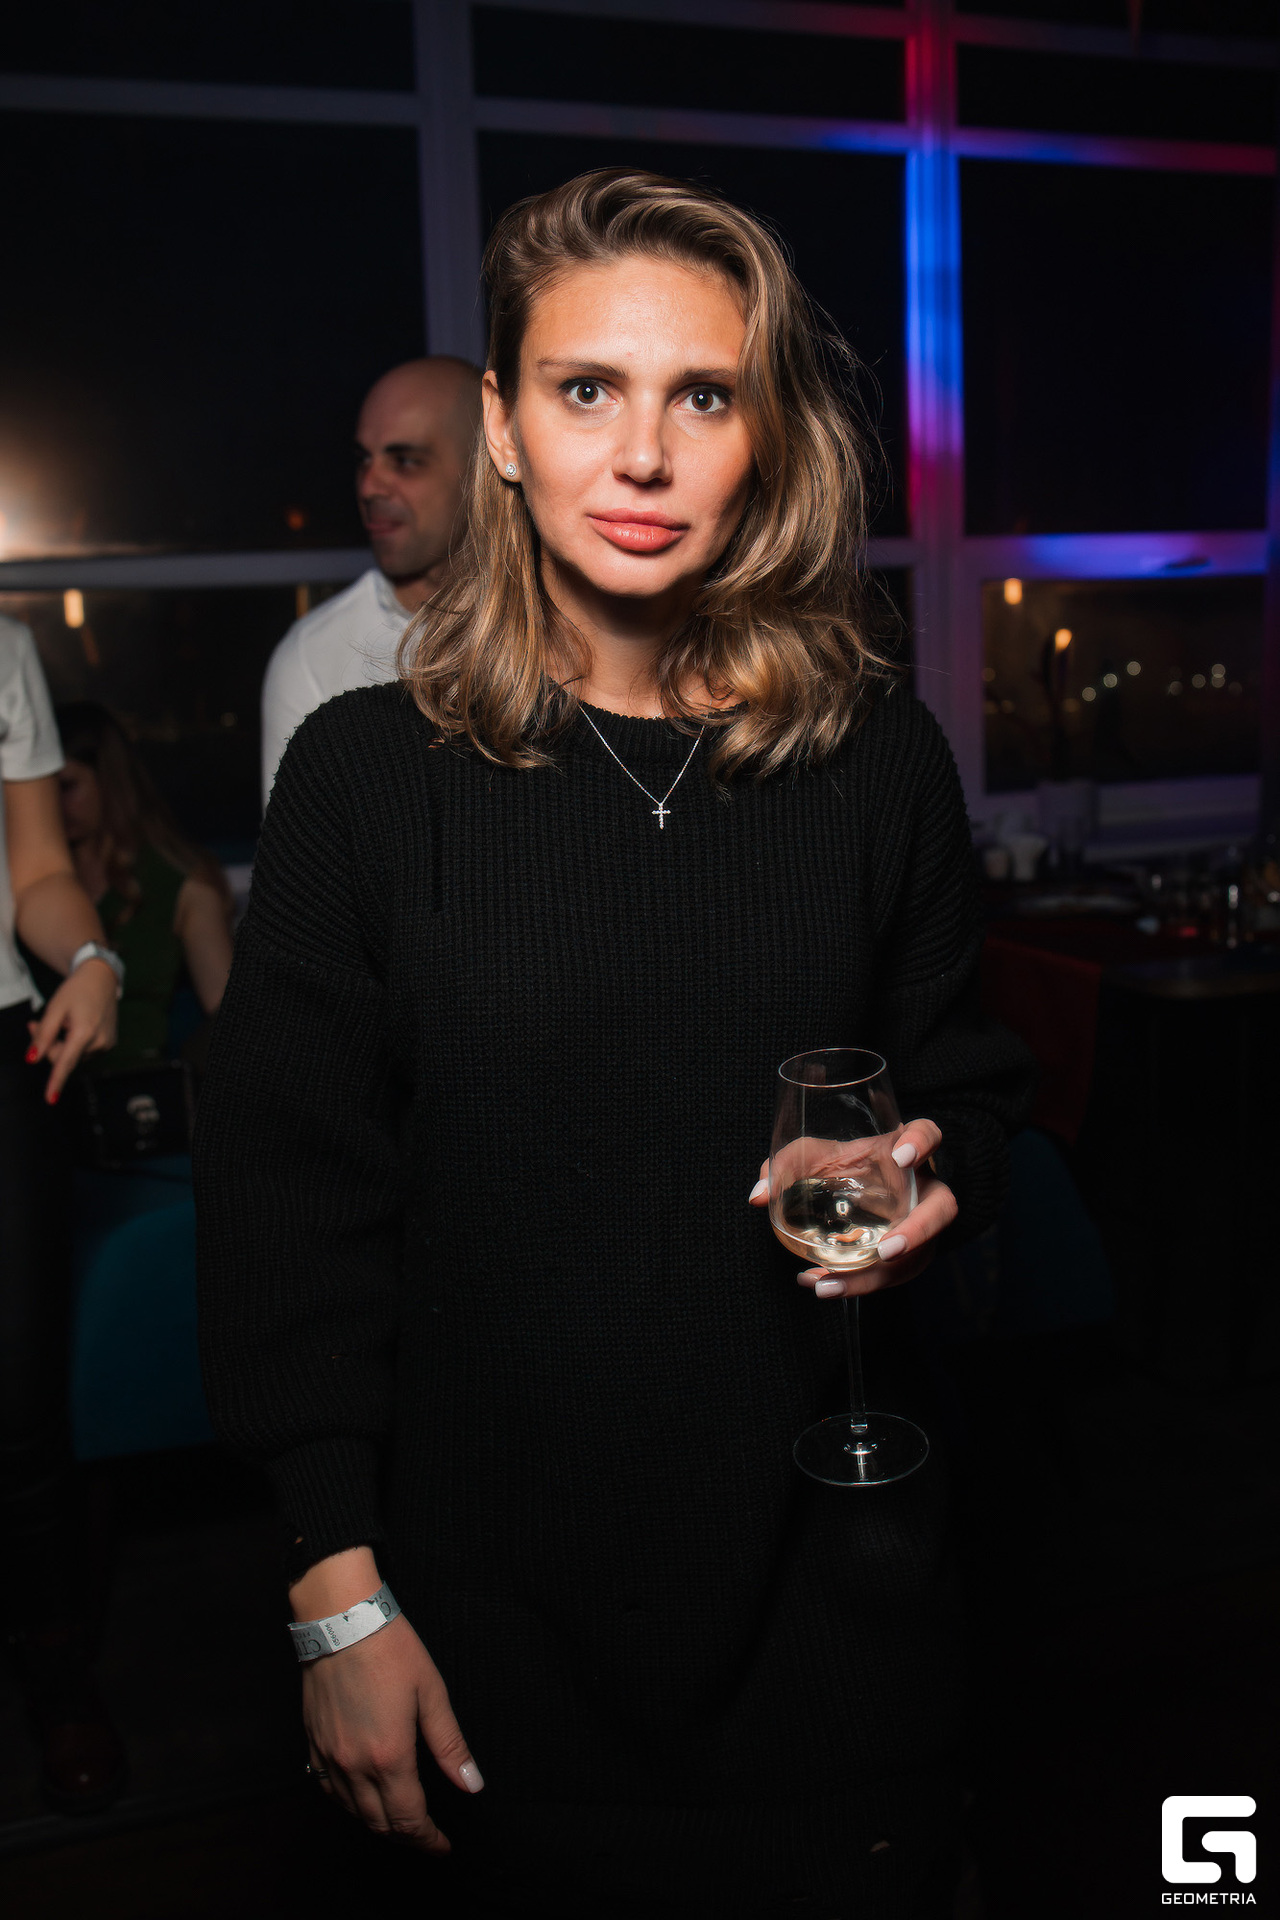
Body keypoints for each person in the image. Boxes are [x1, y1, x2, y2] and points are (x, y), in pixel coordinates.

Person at [197, 171, 1031, 1917]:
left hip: (835, 1605)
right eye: (587, 390)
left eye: (701, 396)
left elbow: (967, 1090)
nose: (642, 455)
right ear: (504, 429)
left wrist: (923, 1177)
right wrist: (335, 1596)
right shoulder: (364, 779)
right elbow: (285, 1213)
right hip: (482, 1624)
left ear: (764, 437)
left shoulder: (878, 761)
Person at [0, 618, 126, 1810]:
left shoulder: (3, 650)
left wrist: (90, 956)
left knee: (21, 1403)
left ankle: (57, 1674)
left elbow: (37, 870)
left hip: (3, 1044)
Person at [259, 355, 483, 801]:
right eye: (364, 460)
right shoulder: (313, 657)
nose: (368, 487)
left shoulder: (563, 622)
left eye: (405, 461)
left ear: (482, 470)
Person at [48, 702, 233, 1070]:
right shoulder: (29, 888)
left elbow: (230, 1020)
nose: (53, 804)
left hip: (139, 1085)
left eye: (67, 786)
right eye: (44, 791)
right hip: (40, 1081)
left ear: (109, 781)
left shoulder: (180, 883)